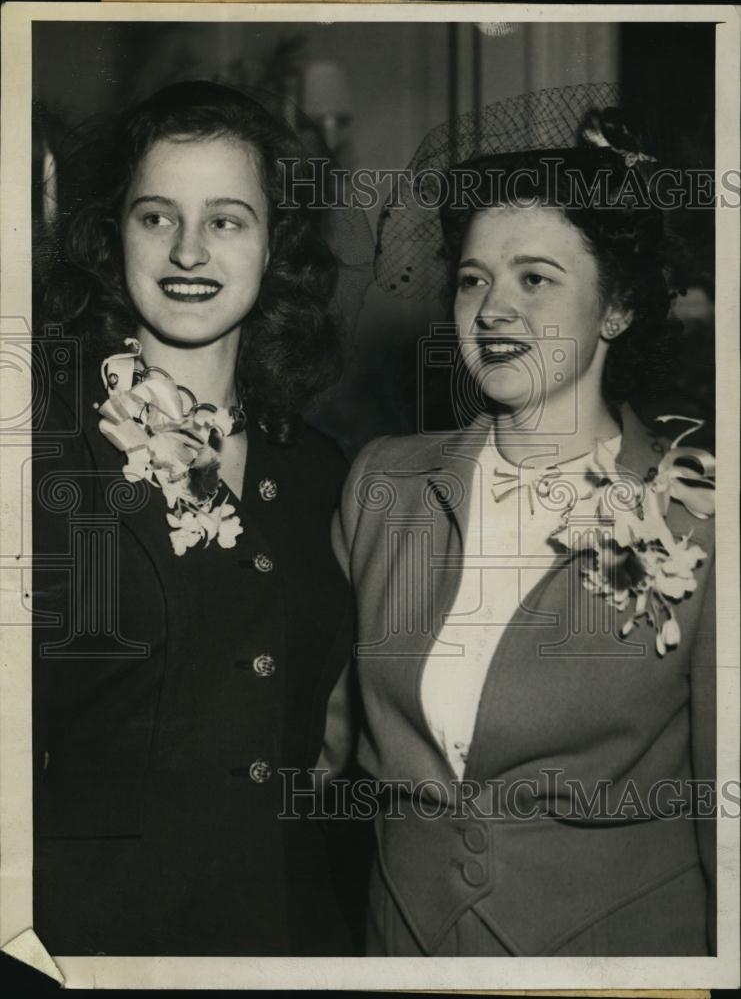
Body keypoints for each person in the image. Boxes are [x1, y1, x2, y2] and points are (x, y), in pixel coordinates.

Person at [319, 94, 716, 956]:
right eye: (473, 279)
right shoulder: (383, 485)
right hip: (404, 950)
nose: (492, 309)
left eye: (535, 278)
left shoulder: (703, 518)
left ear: (614, 310)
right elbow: (321, 743)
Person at [33, 80, 358, 956]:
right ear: (113, 239)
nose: (187, 251)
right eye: (154, 217)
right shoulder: (36, 448)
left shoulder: (324, 472)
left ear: (274, 245)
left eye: (225, 219)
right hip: (87, 945)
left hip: (288, 936)